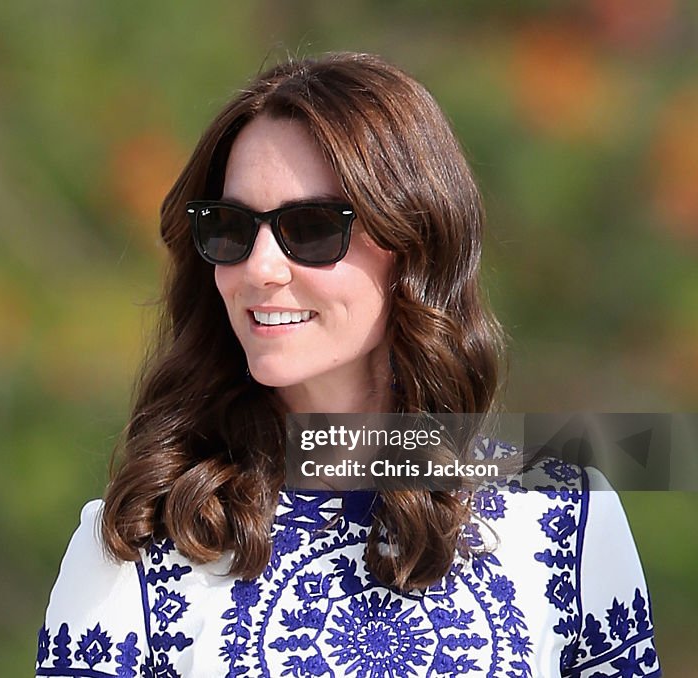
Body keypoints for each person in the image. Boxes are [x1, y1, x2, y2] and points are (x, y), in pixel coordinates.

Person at [35, 53, 660, 677]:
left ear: (415, 245)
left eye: (310, 228)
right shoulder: (134, 545)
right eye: (230, 227)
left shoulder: (566, 519)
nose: (260, 268)